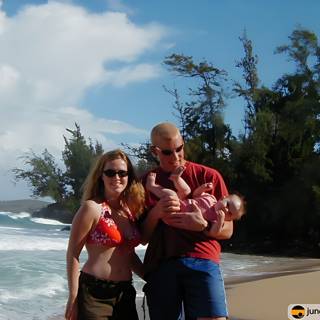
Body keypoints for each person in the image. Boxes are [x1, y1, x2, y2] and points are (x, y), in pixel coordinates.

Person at [139, 122, 233, 320]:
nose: (175, 157)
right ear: (154, 151)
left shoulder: (209, 176)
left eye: (179, 149)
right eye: (167, 152)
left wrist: (204, 226)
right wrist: (156, 212)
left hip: (203, 259)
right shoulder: (144, 183)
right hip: (161, 264)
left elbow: (228, 230)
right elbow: (142, 237)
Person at [65, 149, 145, 320]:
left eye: (122, 173)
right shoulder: (92, 208)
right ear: (101, 176)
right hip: (95, 294)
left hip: (125, 292)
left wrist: (151, 277)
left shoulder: (130, 211)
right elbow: (73, 254)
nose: (116, 177)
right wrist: (73, 297)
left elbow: (128, 255)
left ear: (129, 176)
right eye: (110, 172)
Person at [146, 170, 245, 237]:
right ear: (223, 198)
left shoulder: (215, 219)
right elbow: (196, 195)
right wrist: (203, 188)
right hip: (179, 203)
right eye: (227, 205)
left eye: (230, 214)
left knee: (171, 194)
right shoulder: (211, 198)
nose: (226, 210)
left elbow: (214, 233)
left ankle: (152, 186)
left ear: (229, 219)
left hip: (175, 216)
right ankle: (175, 178)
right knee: (186, 190)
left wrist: (220, 221)